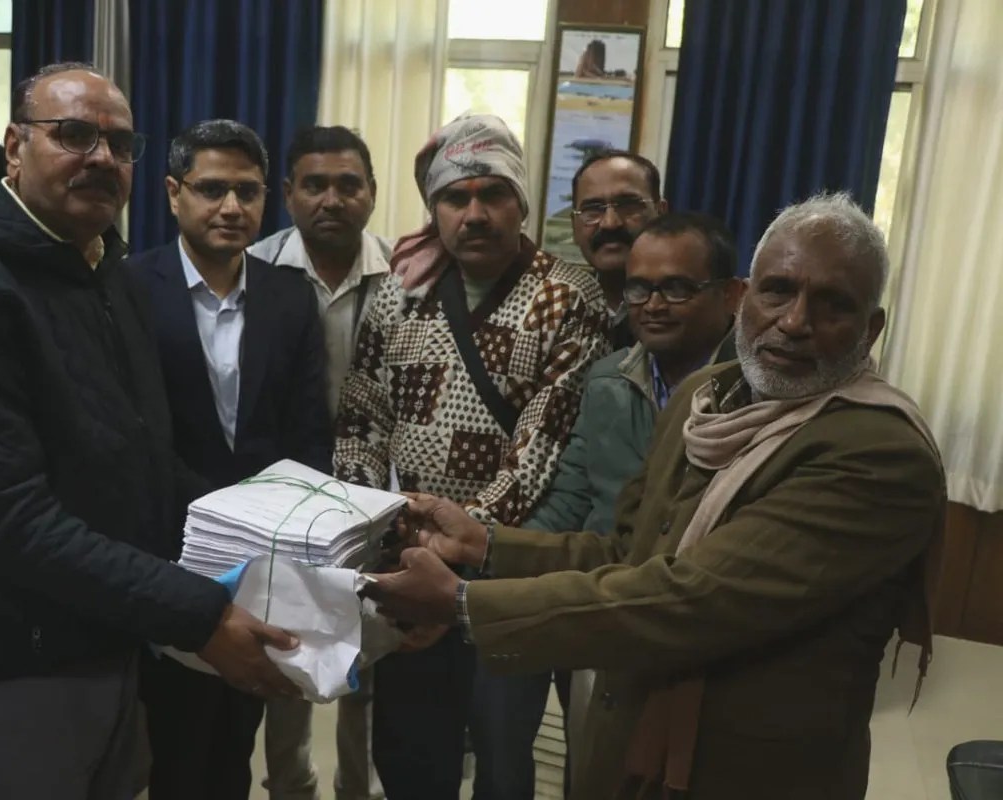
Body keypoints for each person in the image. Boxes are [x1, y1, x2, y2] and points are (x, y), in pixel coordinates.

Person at [365, 192, 946, 800]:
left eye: (833, 305)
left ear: (870, 329)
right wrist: (484, 543)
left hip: (748, 774)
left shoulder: (879, 451)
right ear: (746, 297)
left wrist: (463, 603)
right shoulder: (709, 397)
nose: (795, 322)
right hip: (634, 740)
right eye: (778, 291)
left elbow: (689, 598)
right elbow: (629, 551)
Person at [0, 63, 299, 800]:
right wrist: (198, 616)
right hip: (17, 660)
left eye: (121, 144)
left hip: (106, 631)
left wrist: (273, 537)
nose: (102, 157)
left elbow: (142, 461)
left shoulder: (99, 267)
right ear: (15, 148)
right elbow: (12, 520)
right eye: (73, 134)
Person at [334, 112, 608, 799]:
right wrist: (382, 546)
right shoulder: (400, 292)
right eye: (456, 197)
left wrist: (451, 560)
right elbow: (361, 423)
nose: (475, 213)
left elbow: (540, 450)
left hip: (505, 567)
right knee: (409, 752)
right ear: (435, 209)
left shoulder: (568, 296)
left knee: (501, 753)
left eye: (494, 194)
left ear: (523, 202)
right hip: (402, 559)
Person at [475, 212, 745, 799]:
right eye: (638, 288)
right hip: (602, 607)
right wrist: (484, 551)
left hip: (701, 628)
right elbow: (571, 499)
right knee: (593, 774)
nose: (653, 305)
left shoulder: (755, 392)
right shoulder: (606, 380)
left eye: (677, 288)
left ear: (731, 295)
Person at [127, 119, 331, 800]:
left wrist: (289, 539)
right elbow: (133, 438)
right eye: (212, 189)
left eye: (248, 191)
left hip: (266, 559)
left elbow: (308, 433)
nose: (232, 207)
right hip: (168, 553)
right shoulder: (128, 288)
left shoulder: (289, 296)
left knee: (236, 740)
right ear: (173, 193)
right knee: (176, 747)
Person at [248, 124, 389, 800]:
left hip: (377, 500)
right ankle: (289, 786)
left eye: (347, 185)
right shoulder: (254, 270)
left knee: (369, 658)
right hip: (281, 495)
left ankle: (359, 789)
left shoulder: (407, 276)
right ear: (288, 193)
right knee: (287, 649)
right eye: (315, 185)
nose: (331, 199)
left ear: (372, 193)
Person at [570, 151, 668, 351]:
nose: (610, 223)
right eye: (593, 210)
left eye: (628, 206)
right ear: (574, 225)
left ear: (661, 213)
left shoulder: (692, 310)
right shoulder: (560, 310)